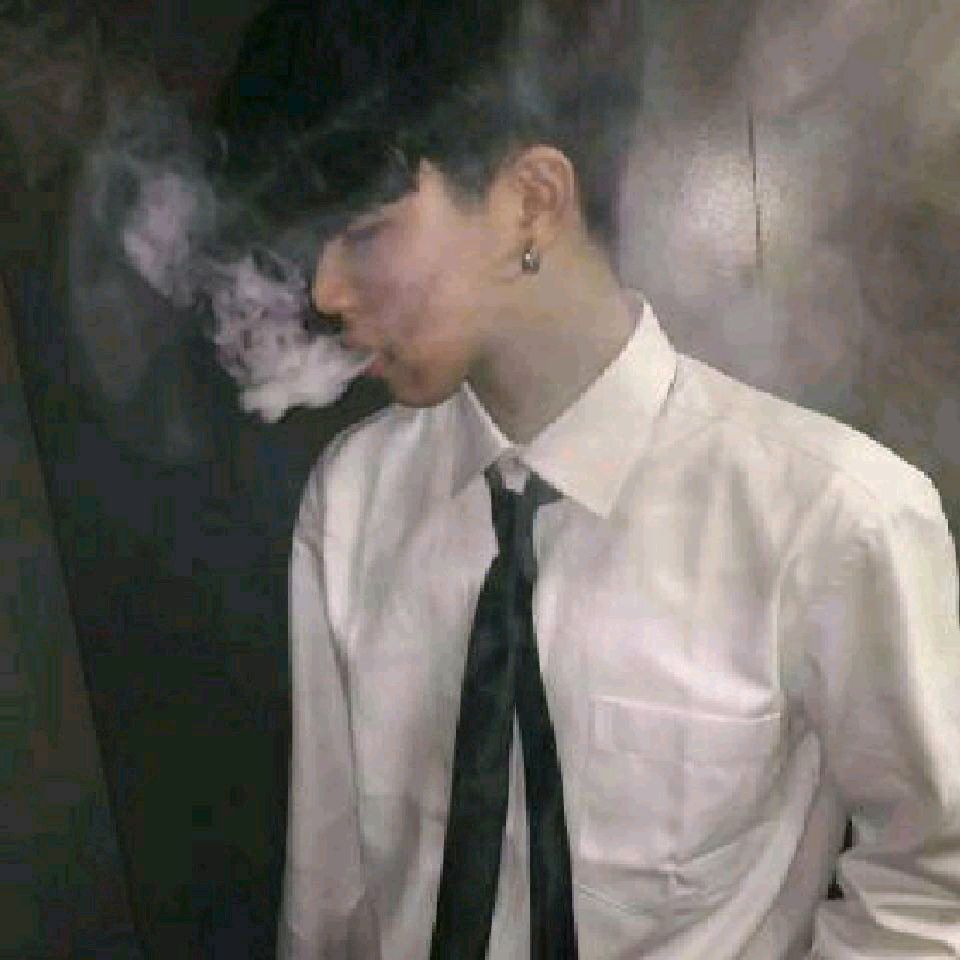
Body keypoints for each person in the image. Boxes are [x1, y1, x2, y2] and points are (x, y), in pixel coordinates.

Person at [213, 2, 960, 957]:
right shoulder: (352, 499)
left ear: (531, 201)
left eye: (361, 231)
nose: (321, 293)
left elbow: (933, 887)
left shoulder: (834, 518)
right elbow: (331, 888)